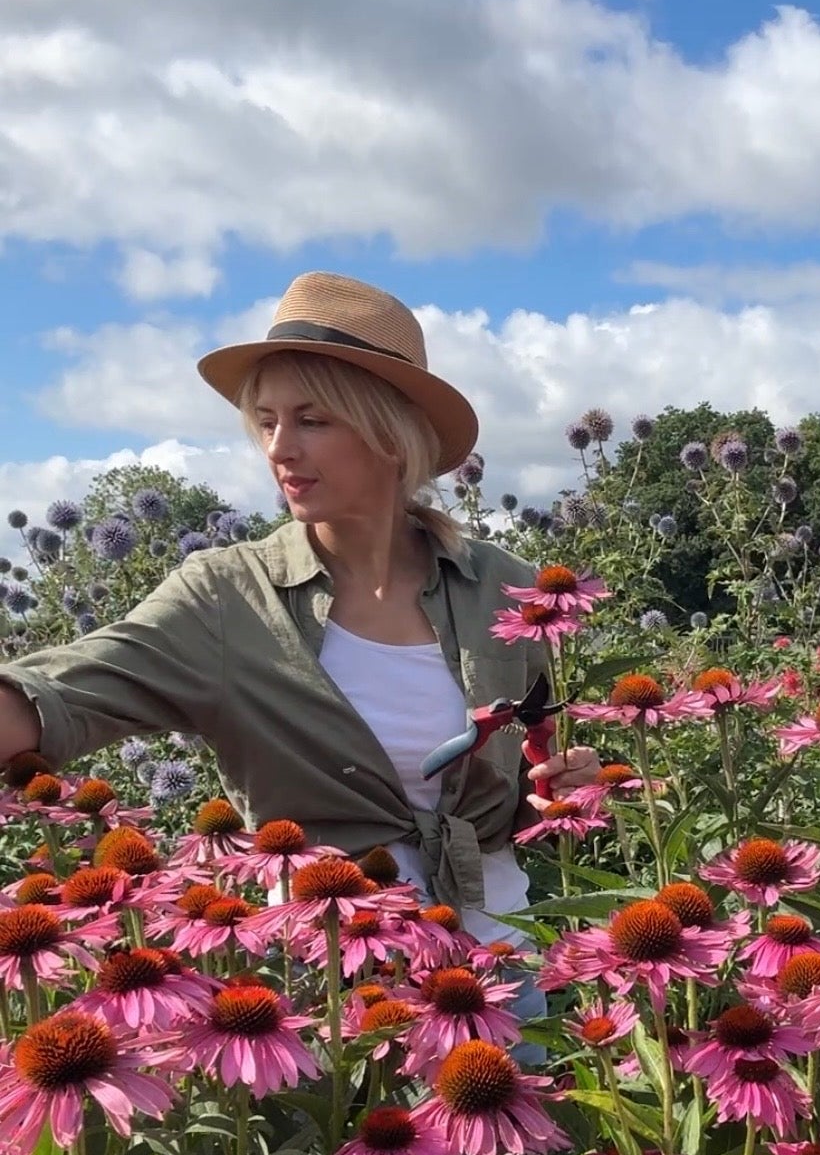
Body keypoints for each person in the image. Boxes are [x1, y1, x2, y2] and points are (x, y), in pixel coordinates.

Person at [0, 272, 600, 965]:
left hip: (505, 967)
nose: (280, 447)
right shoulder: (225, 597)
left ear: (391, 434)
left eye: (312, 419)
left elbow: (530, 792)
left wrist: (561, 792)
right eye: (266, 421)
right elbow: (61, 694)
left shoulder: (506, 585)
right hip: (336, 986)